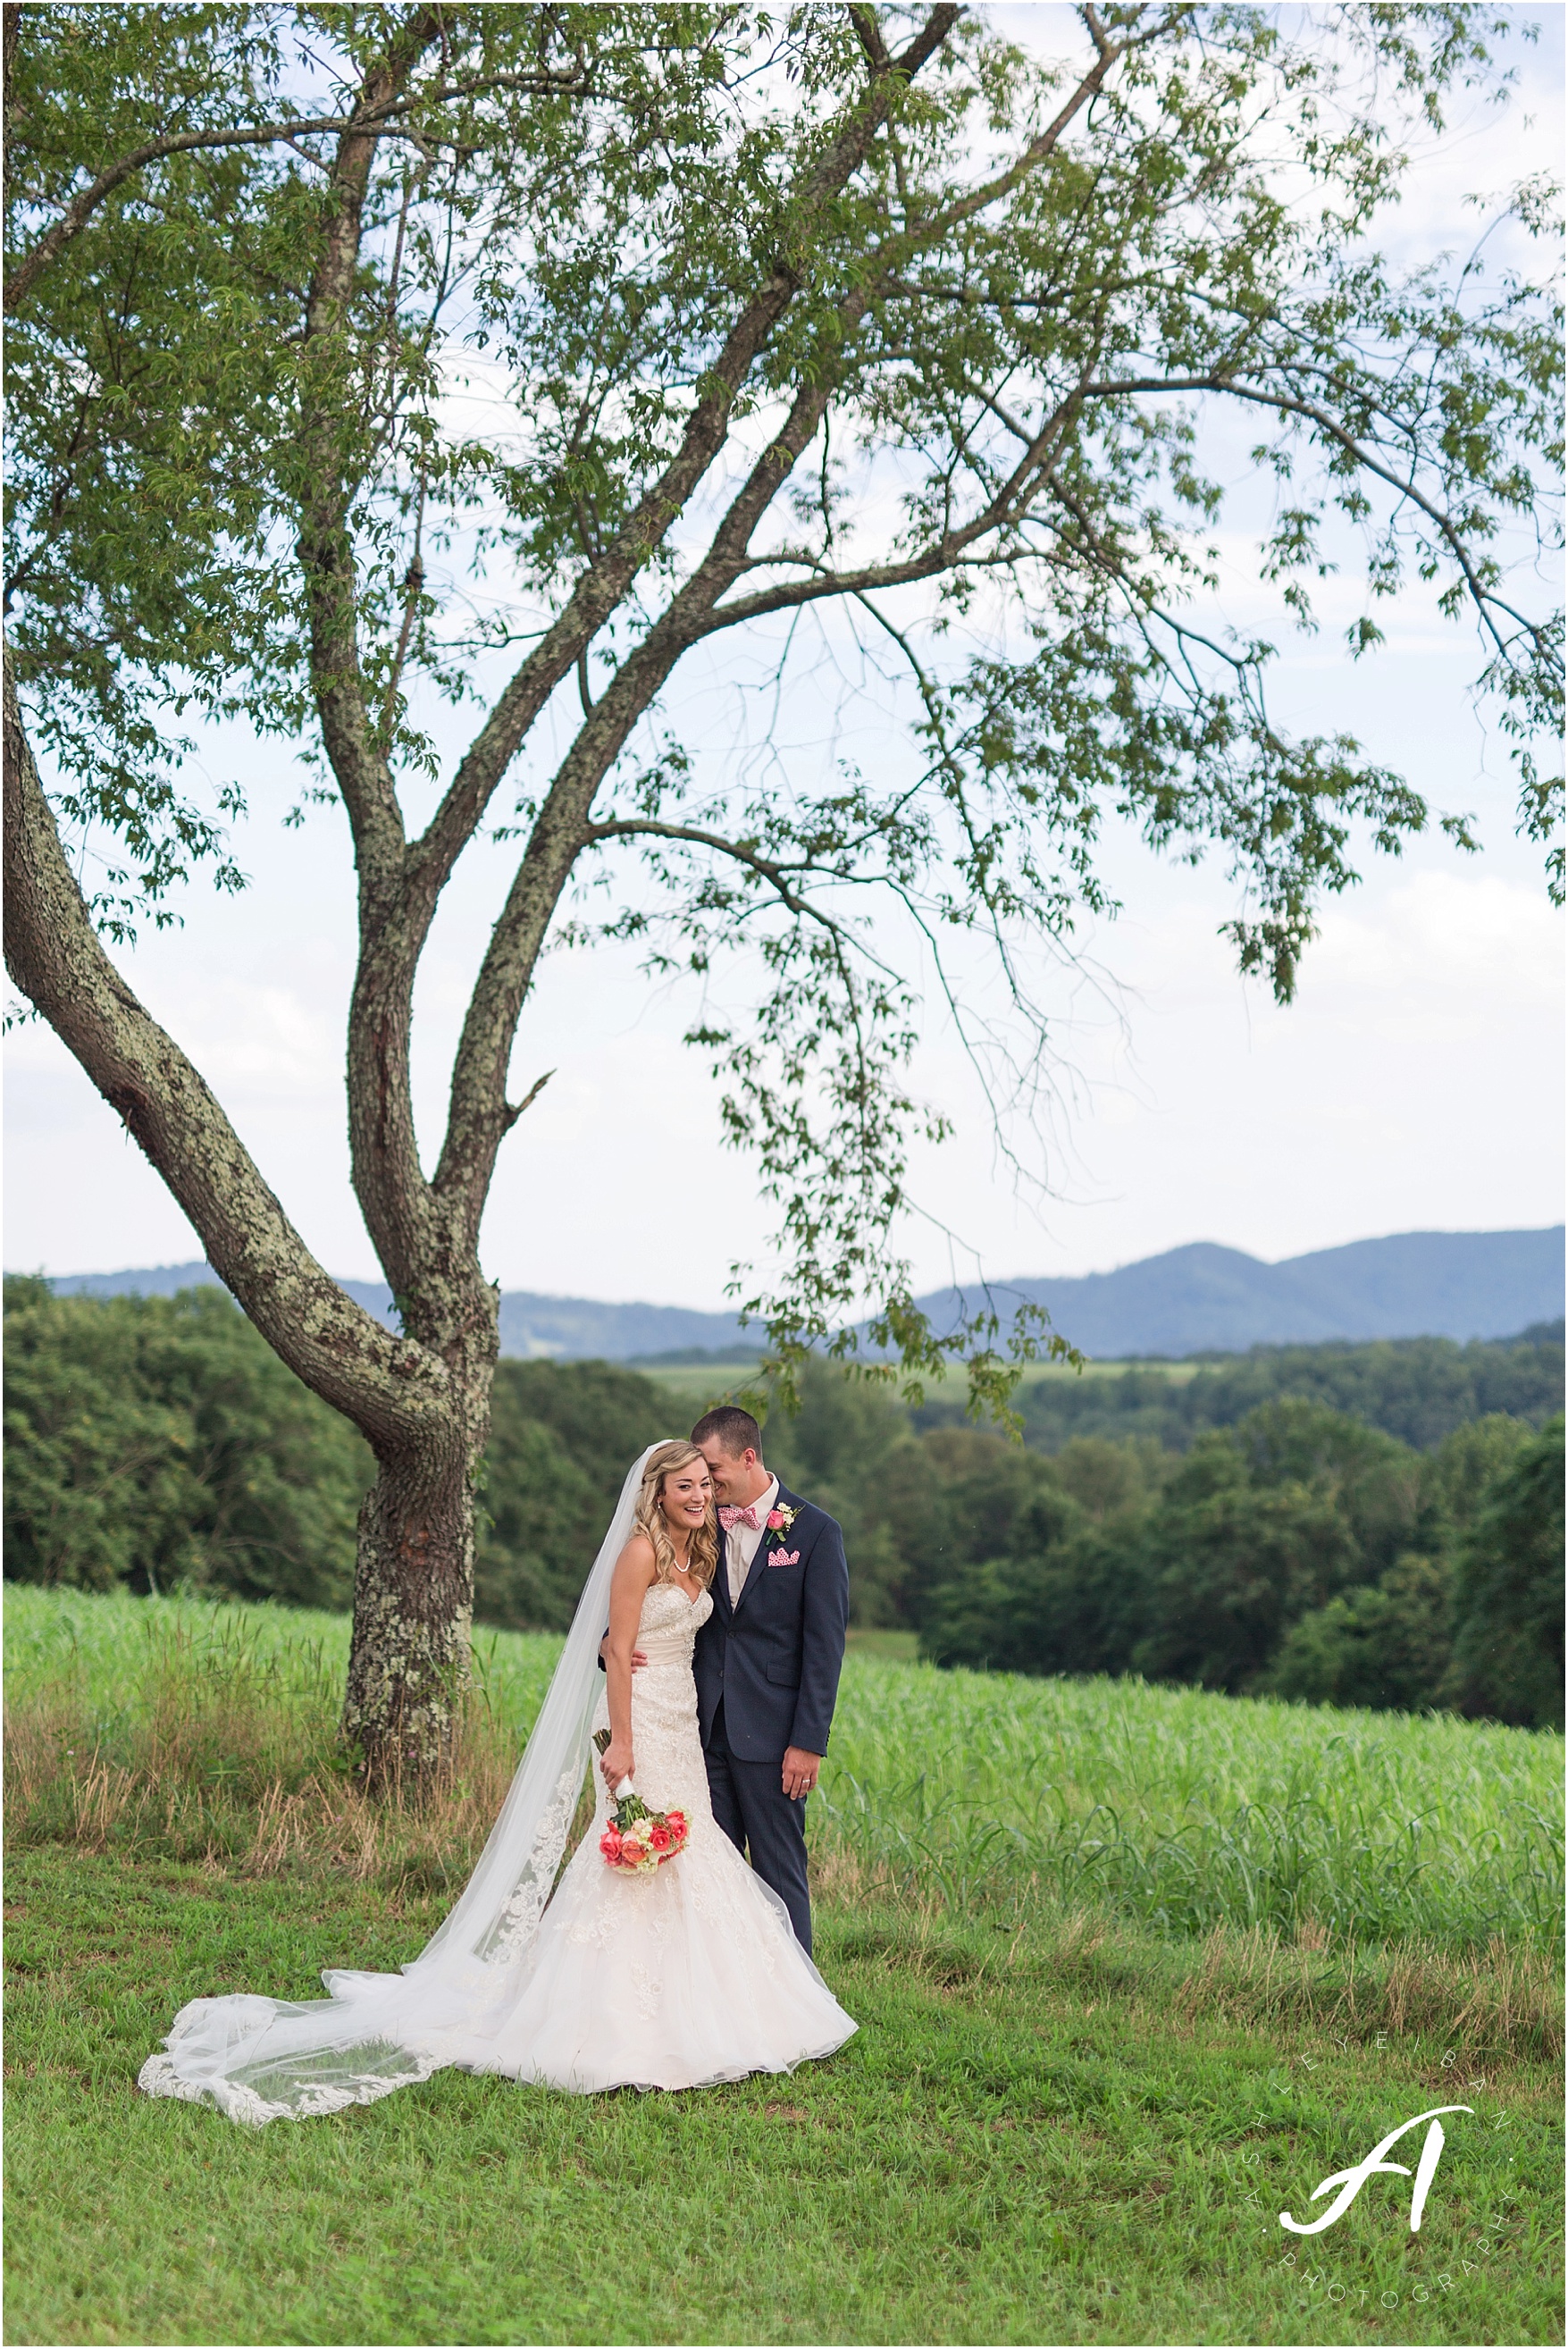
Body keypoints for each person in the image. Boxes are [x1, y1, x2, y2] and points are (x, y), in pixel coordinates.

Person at [138, 1442, 855, 2122]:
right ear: (656, 1491)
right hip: (640, 1726)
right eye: (685, 1484)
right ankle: (614, 2016)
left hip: (683, 1720)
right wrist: (623, 1739)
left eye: (705, 1482)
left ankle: (708, 2003)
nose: (700, 1493)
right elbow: (616, 1640)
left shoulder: (700, 1544)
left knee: (688, 1856)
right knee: (635, 1855)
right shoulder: (639, 1551)